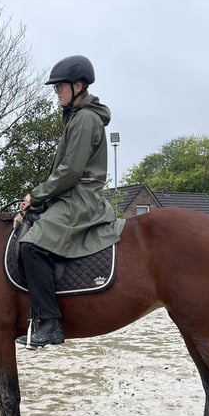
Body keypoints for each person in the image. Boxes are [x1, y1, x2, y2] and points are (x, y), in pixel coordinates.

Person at [16, 55, 125, 348]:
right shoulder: (76, 117)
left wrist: (36, 195)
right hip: (69, 195)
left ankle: (50, 323)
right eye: (55, 88)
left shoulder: (86, 119)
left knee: (31, 246)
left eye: (60, 87)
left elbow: (71, 171)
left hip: (80, 200)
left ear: (79, 85)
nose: (57, 93)